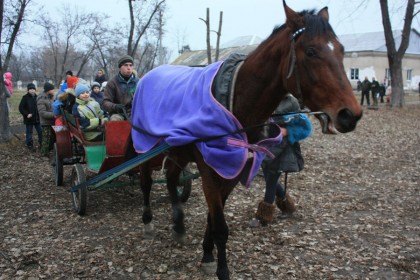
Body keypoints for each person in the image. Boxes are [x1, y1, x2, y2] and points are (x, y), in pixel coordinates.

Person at [252, 94, 313, 226]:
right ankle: (287, 206)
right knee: (269, 178)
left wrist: (287, 131)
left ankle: (263, 217)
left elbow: (303, 126)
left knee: (271, 181)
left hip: (282, 148)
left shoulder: (291, 101)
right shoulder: (266, 96)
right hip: (265, 144)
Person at [103, 55, 140, 121]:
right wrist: (115, 106)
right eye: (126, 65)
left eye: (131, 65)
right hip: (118, 113)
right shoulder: (112, 83)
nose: (129, 68)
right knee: (115, 120)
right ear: (120, 67)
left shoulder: (138, 82)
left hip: (135, 112)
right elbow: (105, 102)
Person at [18, 83, 42, 151]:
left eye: (33, 89)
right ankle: (30, 145)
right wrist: (26, 114)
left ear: (35, 90)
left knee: (40, 131)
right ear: (28, 90)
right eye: (30, 89)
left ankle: (41, 143)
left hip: (37, 118)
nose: (32, 90)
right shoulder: (25, 98)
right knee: (29, 132)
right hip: (29, 119)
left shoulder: (37, 97)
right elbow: (21, 108)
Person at [37, 82, 56, 157]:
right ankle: (44, 153)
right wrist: (54, 115)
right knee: (46, 139)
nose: (53, 91)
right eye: (52, 89)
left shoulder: (51, 97)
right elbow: (42, 113)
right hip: (46, 122)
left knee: (52, 137)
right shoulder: (41, 99)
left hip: (52, 121)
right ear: (48, 90)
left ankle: (50, 150)